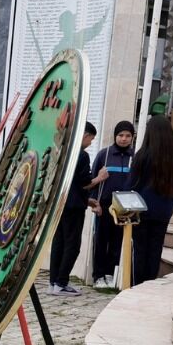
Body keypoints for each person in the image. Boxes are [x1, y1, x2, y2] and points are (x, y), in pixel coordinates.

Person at [129, 116, 173, 287]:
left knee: (140, 250)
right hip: (164, 210)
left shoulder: (143, 155)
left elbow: (132, 184)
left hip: (141, 210)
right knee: (155, 250)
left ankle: (138, 285)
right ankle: (150, 284)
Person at [49, 123, 105, 295]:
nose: (90, 143)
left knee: (59, 242)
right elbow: (85, 182)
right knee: (72, 245)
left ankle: (53, 283)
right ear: (85, 135)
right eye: (91, 139)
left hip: (61, 204)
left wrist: (87, 201)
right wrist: (100, 178)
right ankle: (61, 282)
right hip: (73, 208)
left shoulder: (61, 151)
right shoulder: (81, 155)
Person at [90, 120, 137, 289]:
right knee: (101, 241)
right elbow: (93, 180)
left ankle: (110, 273)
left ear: (132, 137)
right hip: (104, 206)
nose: (124, 139)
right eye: (120, 135)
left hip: (124, 209)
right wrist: (95, 203)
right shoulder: (105, 154)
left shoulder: (134, 157)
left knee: (117, 241)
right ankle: (98, 276)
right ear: (115, 136)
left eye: (128, 136)